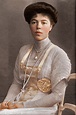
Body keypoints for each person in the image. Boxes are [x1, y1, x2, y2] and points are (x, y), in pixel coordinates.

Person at [0, 1, 71, 114]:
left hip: (44, 107)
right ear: (30, 25)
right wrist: (6, 103)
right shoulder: (24, 51)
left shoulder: (59, 55)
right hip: (19, 102)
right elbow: (17, 84)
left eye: (44, 22)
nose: (38, 26)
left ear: (51, 26)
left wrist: (23, 105)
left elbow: (57, 96)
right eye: (34, 22)